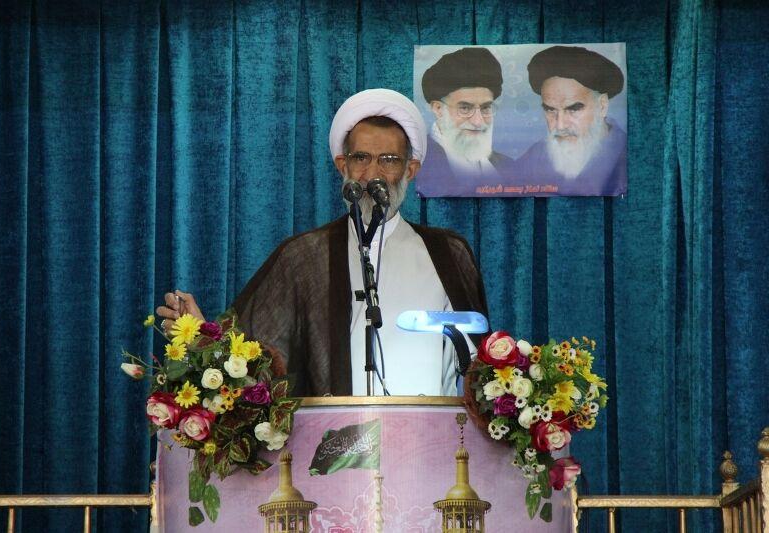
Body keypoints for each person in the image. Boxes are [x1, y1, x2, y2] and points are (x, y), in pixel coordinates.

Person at [156, 88, 488, 397]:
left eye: (388, 159)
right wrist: (204, 338)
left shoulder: (446, 253)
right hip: (334, 437)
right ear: (343, 165)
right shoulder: (305, 255)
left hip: (429, 434)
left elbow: (478, 369)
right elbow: (256, 359)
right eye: (361, 158)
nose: (373, 173)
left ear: (410, 170)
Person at [514, 45, 627, 196]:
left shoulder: (628, 156)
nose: (560, 125)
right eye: (550, 110)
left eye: (573, 109)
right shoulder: (536, 156)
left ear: (602, 106)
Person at [416, 47, 513, 197]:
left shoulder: (508, 166)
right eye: (465, 108)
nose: (478, 121)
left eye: (486, 107)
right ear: (438, 109)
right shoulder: (418, 164)